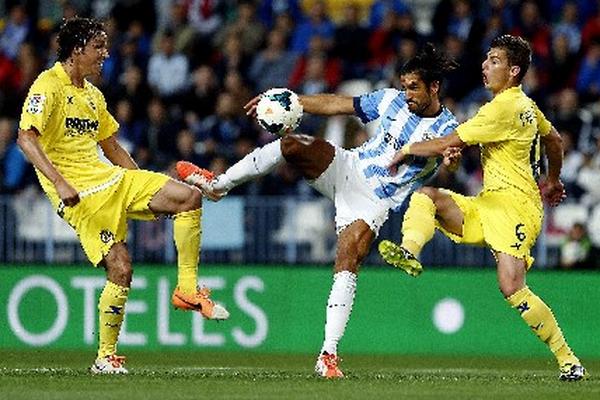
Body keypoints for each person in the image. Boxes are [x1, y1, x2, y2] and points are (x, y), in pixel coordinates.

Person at [176, 44, 459, 378]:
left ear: (434, 87)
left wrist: (450, 166)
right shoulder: (390, 100)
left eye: (414, 87)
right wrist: (292, 101)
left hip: (373, 201)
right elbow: (339, 104)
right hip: (347, 166)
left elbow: (450, 158)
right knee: (291, 144)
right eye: (405, 85)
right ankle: (218, 186)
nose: (407, 93)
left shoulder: (450, 127)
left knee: (348, 258)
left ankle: (328, 355)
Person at [17, 17, 229, 375]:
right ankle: (105, 357)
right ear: (76, 50)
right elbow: (26, 138)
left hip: (111, 180)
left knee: (188, 198)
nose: (105, 53)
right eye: (98, 47)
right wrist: (60, 183)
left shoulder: (92, 96)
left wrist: (147, 185)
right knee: (121, 268)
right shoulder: (47, 85)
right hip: (80, 196)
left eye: (105, 46)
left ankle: (188, 289)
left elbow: (112, 147)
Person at [377, 35, 586, 381]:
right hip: (489, 203)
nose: (485, 66)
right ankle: (409, 251)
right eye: (486, 59)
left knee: (512, 287)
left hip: (516, 208)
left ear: (514, 70)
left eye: (494, 61)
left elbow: (449, 140)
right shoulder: (528, 107)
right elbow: (553, 140)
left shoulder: (503, 107)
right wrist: (553, 179)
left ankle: (568, 360)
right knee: (427, 197)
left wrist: (407, 149)